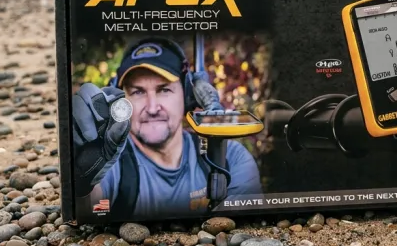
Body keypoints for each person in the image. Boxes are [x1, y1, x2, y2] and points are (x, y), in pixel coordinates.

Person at [72, 37, 262, 218]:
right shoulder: (109, 159)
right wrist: (81, 183)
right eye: (138, 92)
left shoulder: (231, 159)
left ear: (187, 96)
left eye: (164, 90)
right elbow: (89, 209)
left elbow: (240, 228)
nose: (152, 108)